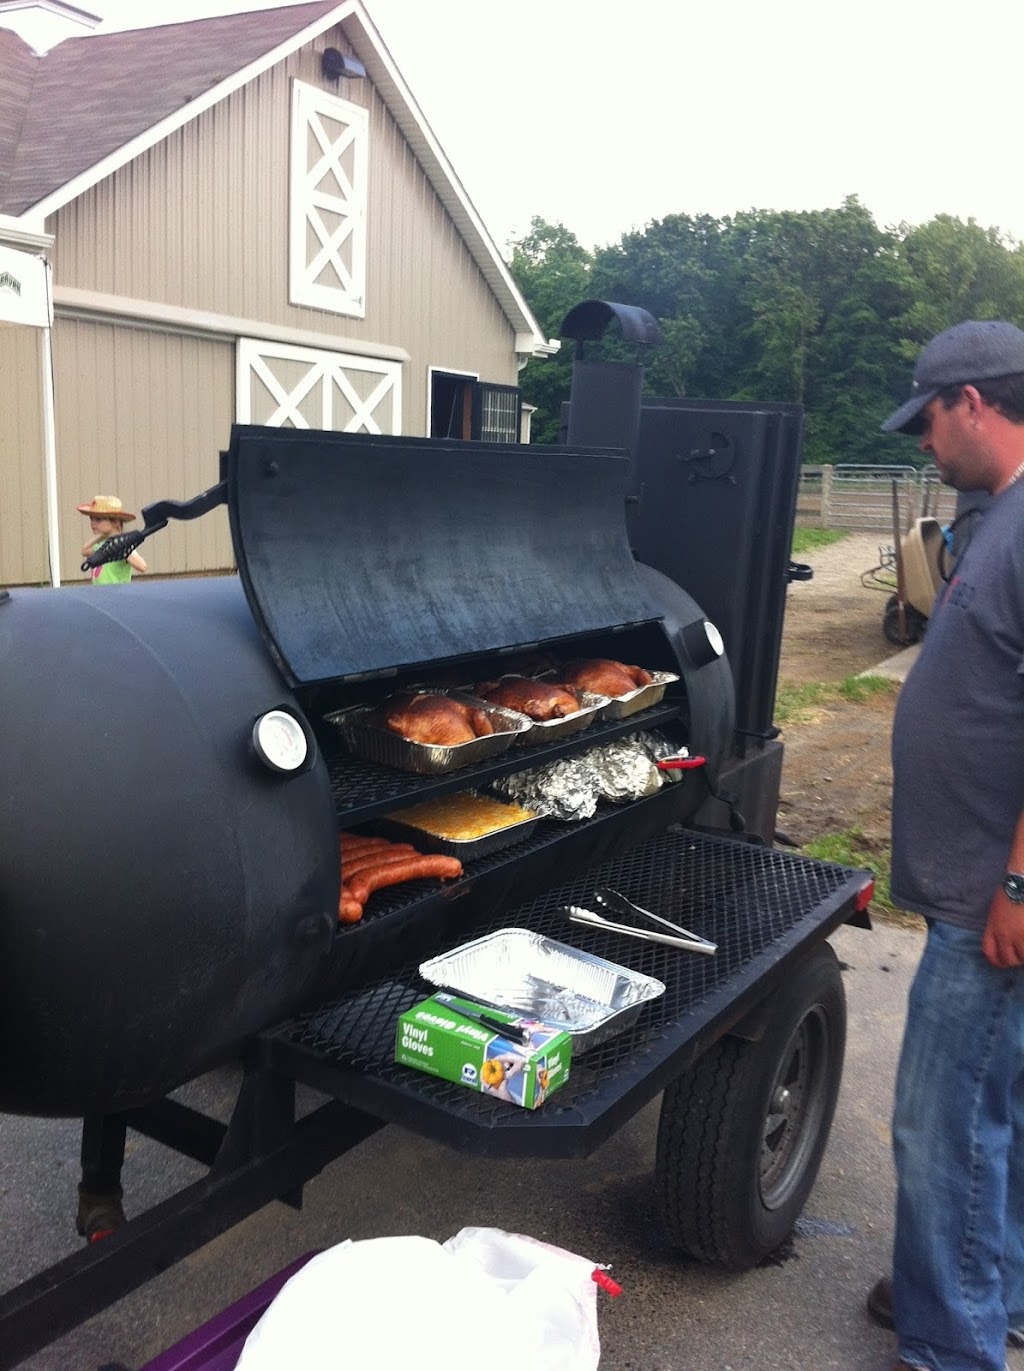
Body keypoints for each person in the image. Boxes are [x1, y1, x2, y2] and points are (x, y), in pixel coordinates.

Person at [869, 319, 1024, 1371]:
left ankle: (952, 1347)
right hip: (980, 882)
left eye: (926, 420)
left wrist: (1018, 881)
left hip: (990, 893)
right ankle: (983, 1288)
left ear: (972, 401)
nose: (922, 442)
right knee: (993, 1107)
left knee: (942, 1125)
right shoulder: (994, 516)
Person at [78, 494, 147, 583]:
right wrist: (101, 535)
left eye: (98, 519)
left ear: (115, 522)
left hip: (117, 590)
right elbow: (84, 551)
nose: (92, 523)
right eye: (91, 519)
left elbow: (142, 567)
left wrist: (123, 551)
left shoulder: (122, 544)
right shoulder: (103, 544)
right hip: (99, 590)